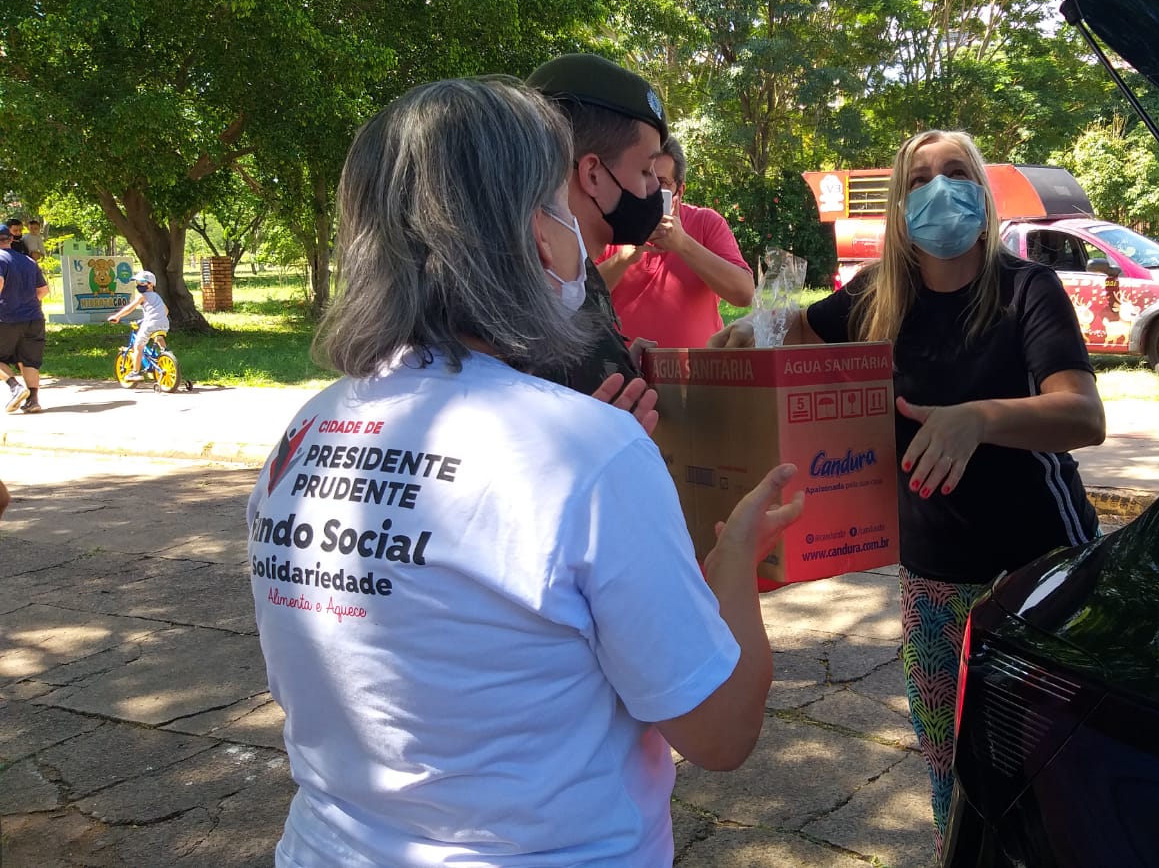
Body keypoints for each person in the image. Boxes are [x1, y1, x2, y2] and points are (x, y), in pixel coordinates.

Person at [248, 76, 804, 868]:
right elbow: (719, 732)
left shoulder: (302, 431)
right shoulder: (591, 451)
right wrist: (735, 564)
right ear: (534, 236)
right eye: (556, 203)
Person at [710, 129, 1107, 853]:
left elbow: (1082, 415)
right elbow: (792, 330)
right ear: (898, 206)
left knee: (1059, 775)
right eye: (918, 178)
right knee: (951, 770)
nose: (938, 188)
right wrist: (731, 343)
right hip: (931, 583)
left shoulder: (1026, 289)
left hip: (1041, 577)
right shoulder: (878, 296)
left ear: (982, 194)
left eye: (955, 172)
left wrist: (979, 419)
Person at [528, 53, 670, 392]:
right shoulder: (533, 290)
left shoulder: (580, 276)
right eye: (646, 170)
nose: (654, 188)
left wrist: (619, 367)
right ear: (593, 174)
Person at [596, 136, 754, 348]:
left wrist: (683, 244)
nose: (649, 189)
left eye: (661, 183)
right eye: (643, 176)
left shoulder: (706, 222)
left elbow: (743, 294)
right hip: (626, 373)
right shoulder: (611, 224)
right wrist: (623, 258)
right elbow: (580, 298)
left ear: (679, 191)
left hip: (697, 374)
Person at [0, 224, 49, 414]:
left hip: (6, 318)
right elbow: (43, 291)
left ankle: (15, 387)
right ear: (11, 239)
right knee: (29, 360)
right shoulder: (29, 261)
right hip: (34, 318)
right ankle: (33, 401)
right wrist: (24, 301)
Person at [107, 270, 170, 380]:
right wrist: (157, 317)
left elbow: (130, 308)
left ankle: (135, 372)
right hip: (164, 323)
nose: (139, 285)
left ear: (151, 285)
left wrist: (117, 316)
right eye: (137, 282)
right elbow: (166, 310)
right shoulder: (157, 296)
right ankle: (166, 354)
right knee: (159, 337)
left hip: (150, 324)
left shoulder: (142, 296)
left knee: (138, 346)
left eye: (142, 282)